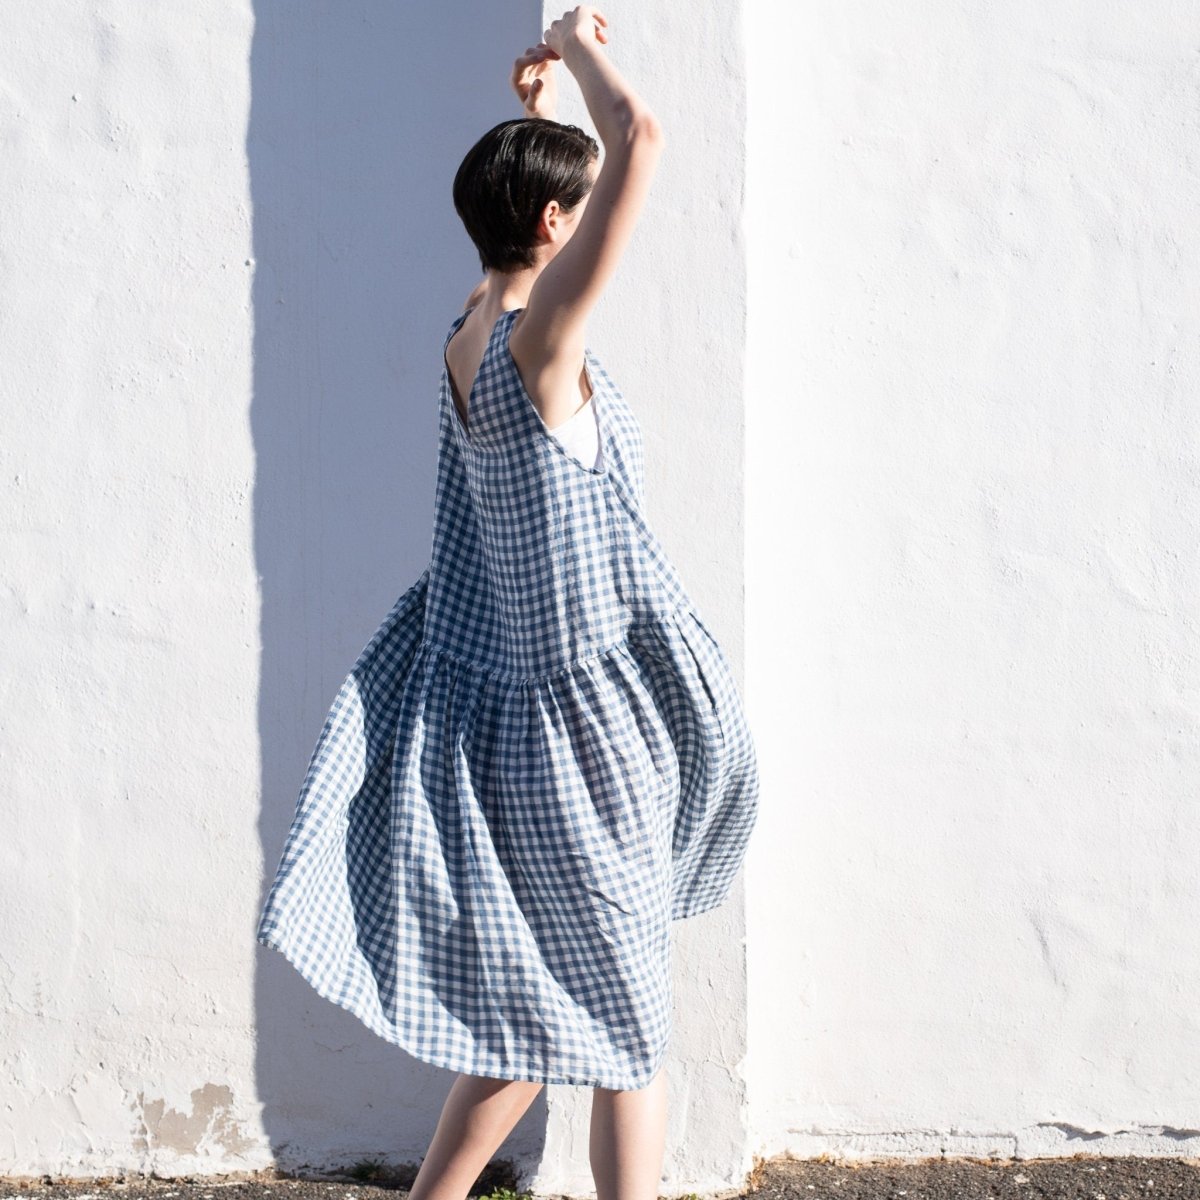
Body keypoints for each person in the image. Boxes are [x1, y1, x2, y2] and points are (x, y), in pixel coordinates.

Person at [256, 9, 759, 1200]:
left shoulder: (466, 336)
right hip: (592, 746)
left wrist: (535, 124)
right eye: (570, 217)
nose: (589, 240)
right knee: (629, 1032)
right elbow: (642, 134)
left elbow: (534, 213)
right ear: (549, 224)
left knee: (529, 1021)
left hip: (512, 737)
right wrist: (582, 54)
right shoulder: (545, 348)